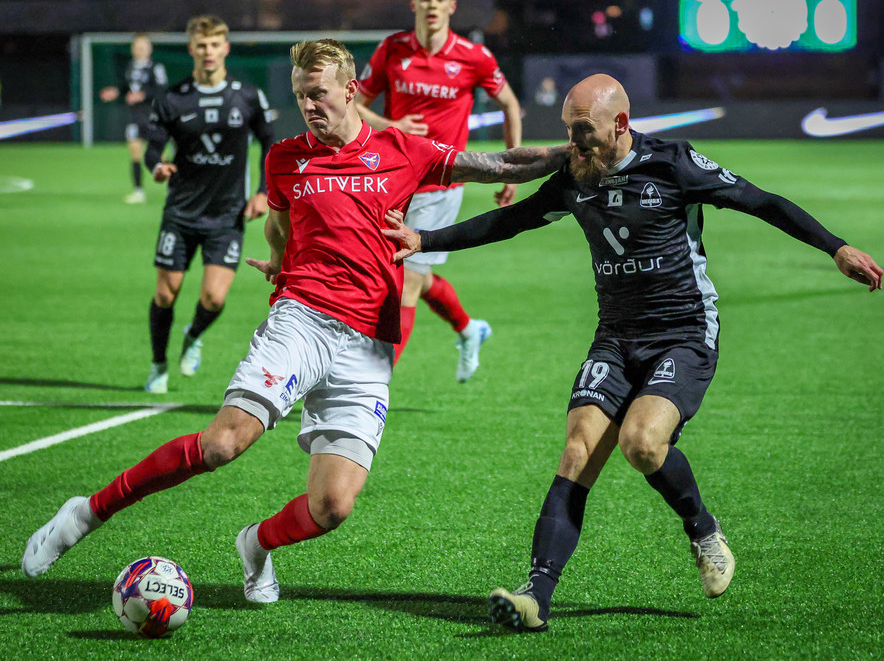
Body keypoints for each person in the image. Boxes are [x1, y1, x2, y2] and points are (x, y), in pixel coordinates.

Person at [20, 39, 570, 604]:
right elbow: (279, 226)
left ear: (350, 91)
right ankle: (85, 514)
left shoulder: (402, 150)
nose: (309, 106)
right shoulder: (284, 159)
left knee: (333, 506)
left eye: (319, 94)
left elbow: (502, 164)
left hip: (369, 343)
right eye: (301, 95)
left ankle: (256, 544)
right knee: (222, 444)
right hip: (301, 318)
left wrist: (572, 153)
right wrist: (279, 263)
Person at [382, 73, 884, 632]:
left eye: (582, 129)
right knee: (577, 452)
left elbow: (761, 202)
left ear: (620, 123)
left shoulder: (673, 164)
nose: (572, 142)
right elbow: (512, 220)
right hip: (616, 336)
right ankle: (536, 597)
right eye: (568, 129)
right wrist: (425, 240)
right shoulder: (575, 175)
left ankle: (703, 529)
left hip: (684, 331)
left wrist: (836, 247)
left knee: (642, 444)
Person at [356, 0, 523, 381]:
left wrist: (511, 171)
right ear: (414, 3)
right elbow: (355, 104)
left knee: (407, 283)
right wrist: (391, 126)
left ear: (452, 6)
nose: (432, 5)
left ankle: (374, 384)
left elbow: (510, 104)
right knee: (406, 270)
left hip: (441, 185)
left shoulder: (473, 56)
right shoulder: (392, 49)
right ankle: (468, 329)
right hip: (392, 181)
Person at [140, 15, 276, 394]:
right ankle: (158, 364)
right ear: (191, 49)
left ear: (225, 48)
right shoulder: (171, 98)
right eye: (201, 45)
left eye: (215, 44)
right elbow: (152, 148)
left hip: (227, 214)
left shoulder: (248, 96)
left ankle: (193, 335)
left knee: (214, 298)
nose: (208, 51)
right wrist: (157, 167)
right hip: (180, 212)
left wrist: (263, 191)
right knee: (165, 293)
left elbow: (270, 144)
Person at [99, 34, 168, 204]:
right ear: (133, 49)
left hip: (153, 117)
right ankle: (138, 191)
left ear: (150, 49)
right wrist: (116, 92)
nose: (140, 50)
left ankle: (176, 188)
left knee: (160, 157)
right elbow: (126, 88)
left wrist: (143, 95)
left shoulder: (156, 68)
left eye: (143, 47)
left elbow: (162, 90)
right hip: (135, 117)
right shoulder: (130, 67)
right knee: (135, 152)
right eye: (137, 47)